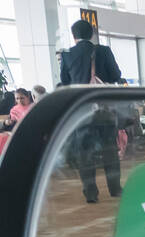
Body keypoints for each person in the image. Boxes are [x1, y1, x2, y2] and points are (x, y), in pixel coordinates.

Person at [59, 18, 123, 203]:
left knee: (85, 152)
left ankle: (91, 193)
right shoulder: (103, 51)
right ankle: (115, 189)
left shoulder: (67, 54)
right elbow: (116, 75)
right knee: (109, 148)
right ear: (92, 34)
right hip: (103, 108)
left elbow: (65, 81)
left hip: (82, 111)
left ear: (74, 36)